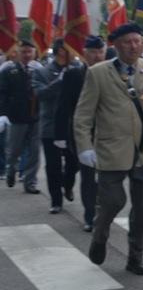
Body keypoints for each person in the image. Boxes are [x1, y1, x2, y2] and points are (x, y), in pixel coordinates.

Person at [74, 22, 143, 275]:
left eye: (138, 41)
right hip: (110, 150)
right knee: (112, 202)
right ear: (116, 45)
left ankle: (135, 256)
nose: (133, 46)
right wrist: (84, 146)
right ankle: (99, 235)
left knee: (142, 209)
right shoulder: (98, 73)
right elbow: (83, 115)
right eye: (127, 42)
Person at [57, 35, 105, 232]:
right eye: (93, 52)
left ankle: (103, 212)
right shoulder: (74, 75)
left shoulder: (113, 73)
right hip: (84, 134)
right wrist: (60, 135)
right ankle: (90, 216)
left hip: (109, 134)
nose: (97, 56)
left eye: (100, 52)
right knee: (88, 177)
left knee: (106, 180)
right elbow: (64, 107)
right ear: (85, 53)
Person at [31, 37, 80, 213]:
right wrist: (60, 81)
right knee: (53, 165)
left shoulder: (76, 71)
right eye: (72, 50)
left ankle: (67, 184)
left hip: (71, 125)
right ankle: (56, 200)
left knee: (74, 162)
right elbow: (41, 94)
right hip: (50, 125)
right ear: (61, 51)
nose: (75, 54)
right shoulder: (41, 72)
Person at [0, 40, 41, 194]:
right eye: (24, 51)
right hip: (16, 117)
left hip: (36, 117)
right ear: (17, 53)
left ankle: (30, 182)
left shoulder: (39, 70)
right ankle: (11, 171)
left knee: (34, 152)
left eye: (30, 51)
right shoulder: (9, 71)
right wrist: (2, 114)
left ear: (35, 53)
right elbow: (2, 94)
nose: (27, 55)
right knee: (14, 150)